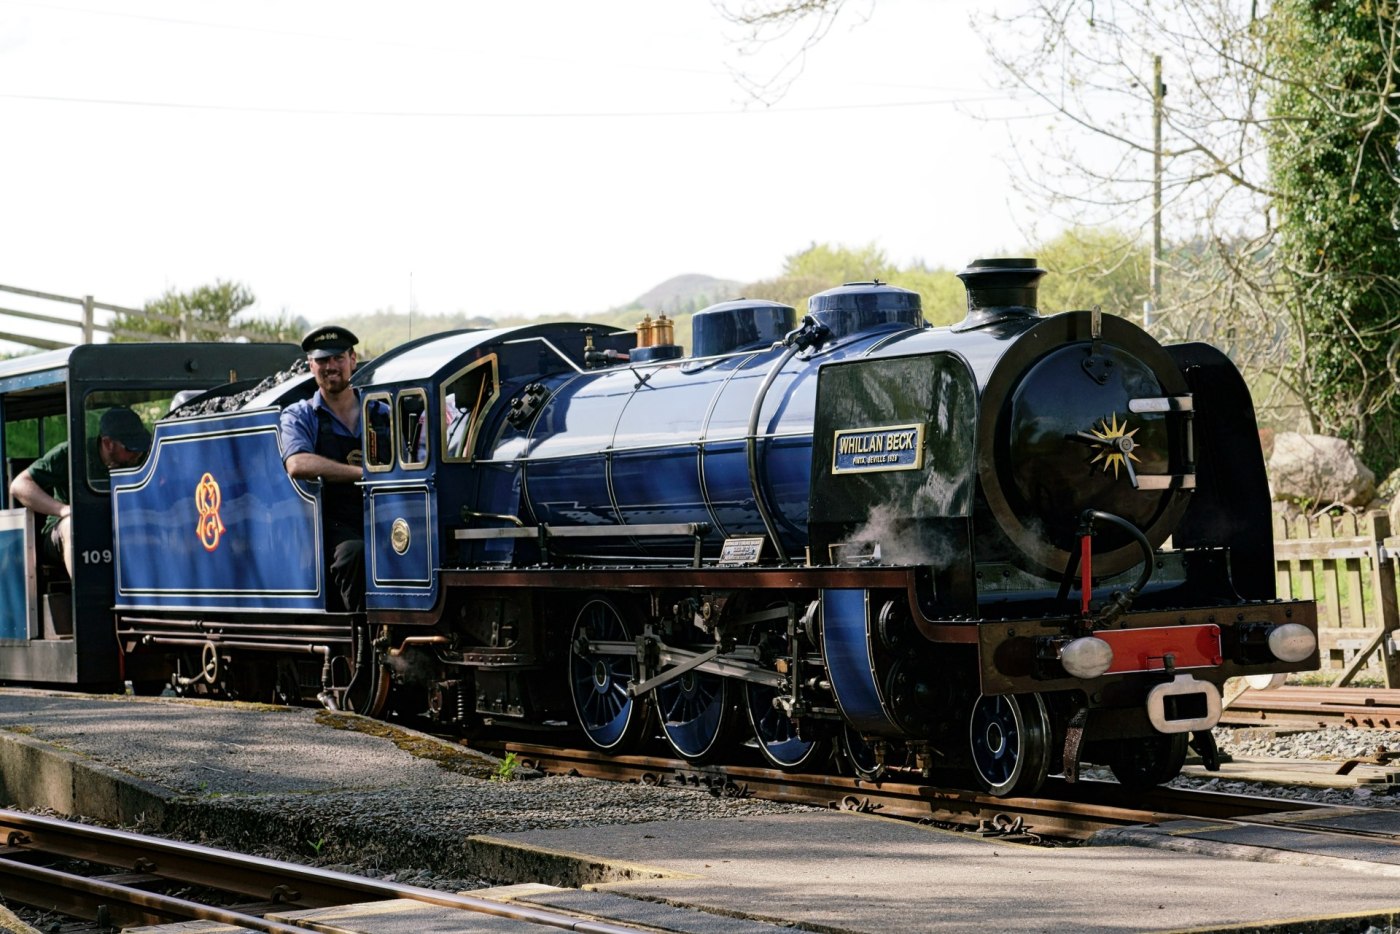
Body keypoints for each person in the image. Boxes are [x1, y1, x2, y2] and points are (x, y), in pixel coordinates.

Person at [278, 325, 369, 613]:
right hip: (331, 523)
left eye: (338, 358)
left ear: (353, 359)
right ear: (311, 366)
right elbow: (297, 463)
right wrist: (362, 474)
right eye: (322, 360)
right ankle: (362, 643)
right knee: (353, 554)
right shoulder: (300, 415)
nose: (331, 367)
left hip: (383, 515)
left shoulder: (379, 409)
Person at [10, 406, 151, 577]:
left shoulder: (140, 459)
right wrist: (63, 510)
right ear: (108, 443)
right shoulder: (71, 453)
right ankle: (85, 599)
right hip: (62, 533)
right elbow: (19, 485)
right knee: (73, 526)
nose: (137, 453)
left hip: (120, 526)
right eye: (130, 448)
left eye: (140, 447)